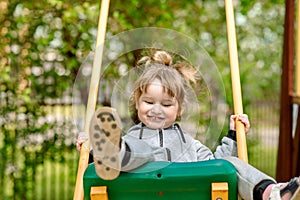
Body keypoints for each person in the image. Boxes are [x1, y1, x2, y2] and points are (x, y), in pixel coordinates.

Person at [76, 50, 299, 200]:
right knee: (137, 150)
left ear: (179, 108)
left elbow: (216, 165)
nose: (156, 109)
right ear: (137, 102)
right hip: (141, 187)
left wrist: (233, 135)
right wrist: (91, 151)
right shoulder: (132, 138)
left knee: (230, 163)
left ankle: (269, 192)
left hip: (186, 192)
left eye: (166, 104)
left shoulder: (190, 145)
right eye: (148, 102)